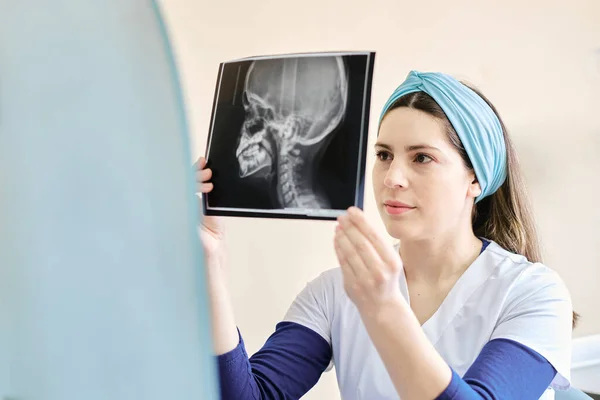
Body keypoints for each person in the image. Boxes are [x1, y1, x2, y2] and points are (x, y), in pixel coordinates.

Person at [195, 70, 576, 400]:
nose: (392, 178)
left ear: (474, 176)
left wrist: (383, 310)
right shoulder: (335, 292)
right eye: (383, 155)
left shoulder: (533, 294)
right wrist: (210, 262)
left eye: (421, 158)